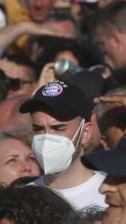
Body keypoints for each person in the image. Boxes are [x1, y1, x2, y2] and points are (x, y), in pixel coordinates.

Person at [22, 76, 107, 211]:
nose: (46, 138)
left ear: (85, 133)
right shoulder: (19, 202)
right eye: (38, 129)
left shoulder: (110, 198)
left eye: (58, 128)